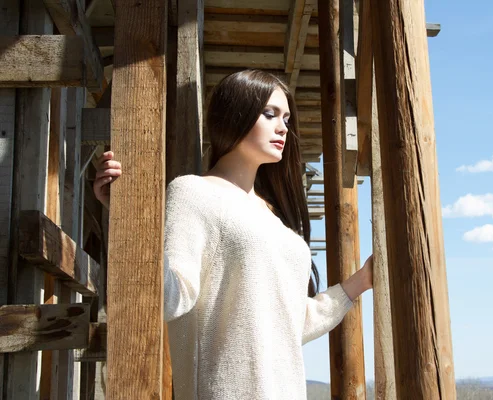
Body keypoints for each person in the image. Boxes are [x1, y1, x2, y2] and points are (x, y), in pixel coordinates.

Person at [93, 69, 373, 399]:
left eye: (285, 117)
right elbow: (170, 297)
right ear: (233, 115)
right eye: (269, 114)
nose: (283, 127)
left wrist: (362, 280)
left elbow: (291, 323)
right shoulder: (193, 193)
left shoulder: (275, 220)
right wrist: (129, 221)